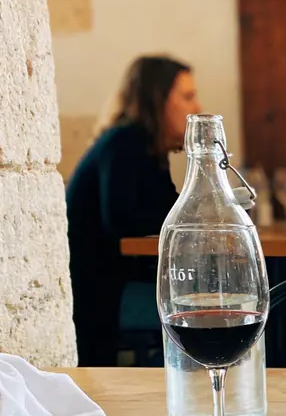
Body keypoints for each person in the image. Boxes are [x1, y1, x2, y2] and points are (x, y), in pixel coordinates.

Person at [65, 55, 201, 366]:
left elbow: (169, 208)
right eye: (187, 96)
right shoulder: (124, 142)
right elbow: (122, 221)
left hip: (113, 281)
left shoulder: (146, 147)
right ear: (157, 99)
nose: (196, 107)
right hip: (95, 292)